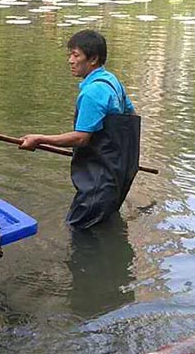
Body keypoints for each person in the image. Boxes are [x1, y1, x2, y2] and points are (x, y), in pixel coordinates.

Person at [19, 30, 140, 229]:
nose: (70, 60)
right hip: (118, 177)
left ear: (93, 59)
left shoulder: (92, 92)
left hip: (98, 183)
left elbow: (81, 138)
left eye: (76, 55)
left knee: (78, 230)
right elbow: (131, 117)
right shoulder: (112, 82)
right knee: (103, 228)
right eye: (70, 55)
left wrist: (39, 139)